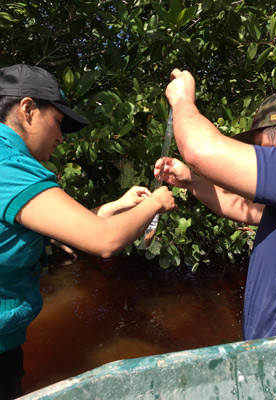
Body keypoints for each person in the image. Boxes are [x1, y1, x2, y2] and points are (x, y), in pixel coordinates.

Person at [0, 64, 176, 399]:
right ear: (28, 110)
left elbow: (62, 226)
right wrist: (154, 204)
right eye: (58, 122)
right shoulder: (9, 167)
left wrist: (116, 206)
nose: (61, 137)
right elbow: (104, 241)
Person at [154, 68, 276, 344]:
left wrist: (183, 100)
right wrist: (193, 183)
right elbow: (247, 209)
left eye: (261, 147)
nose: (260, 157)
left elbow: (199, 150)